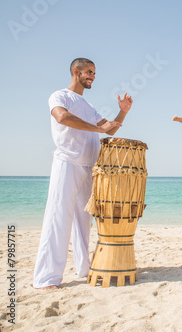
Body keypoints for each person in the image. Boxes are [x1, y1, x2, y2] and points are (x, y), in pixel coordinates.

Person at [33, 58, 133, 289]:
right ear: (76, 71)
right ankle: (46, 278)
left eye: (95, 73)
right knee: (58, 219)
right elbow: (62, 117)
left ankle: (84, 269)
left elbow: (108, 127)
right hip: (67, 163)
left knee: (83, 222)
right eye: (89, 72)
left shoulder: (88, 107)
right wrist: (98, 128)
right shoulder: (59, 96)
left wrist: (122, 112)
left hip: (89, 168)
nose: (93, 77)